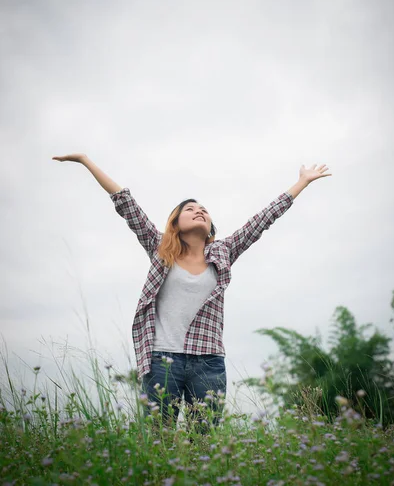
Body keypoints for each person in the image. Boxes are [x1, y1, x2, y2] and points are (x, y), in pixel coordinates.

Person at [52, 153, 332, 434]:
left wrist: (302, 183)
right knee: (159, 437)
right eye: (190, 209)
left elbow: (263, 219)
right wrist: (85, 160)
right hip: (162, 359)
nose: (199, 211)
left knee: (204, 440)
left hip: (209, 361)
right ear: (174, 223)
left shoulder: (224, 251)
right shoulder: (160, 250)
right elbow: (125, 202)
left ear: (210, 226)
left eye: (204, 210)